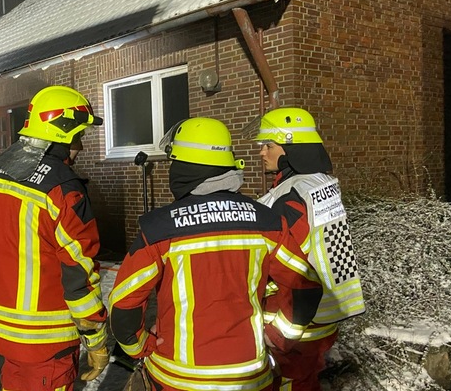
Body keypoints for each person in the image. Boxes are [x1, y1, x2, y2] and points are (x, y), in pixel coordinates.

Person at [109, 117, 323, 391]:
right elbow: (306, 287)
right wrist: (278, 336)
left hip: (179, 378)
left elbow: (124, 304)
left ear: (185, 167)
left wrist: (141, 346)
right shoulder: (267, 221)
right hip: (249, 377)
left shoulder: (159, 228)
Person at [0, 85, 109, 390]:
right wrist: (96, 340)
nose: (81, 147)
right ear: (62, 132)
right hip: (45, 339)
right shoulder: (63, 189)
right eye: (78, 137)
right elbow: (79, 275)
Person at [252, 107, 366, 391]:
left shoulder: (289, 198)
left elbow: (290, 267)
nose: (261, 152)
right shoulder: (319, 184)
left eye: (268, 145)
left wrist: (278, 334)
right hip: (323, 315)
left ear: (290, 148)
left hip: (293, 322)